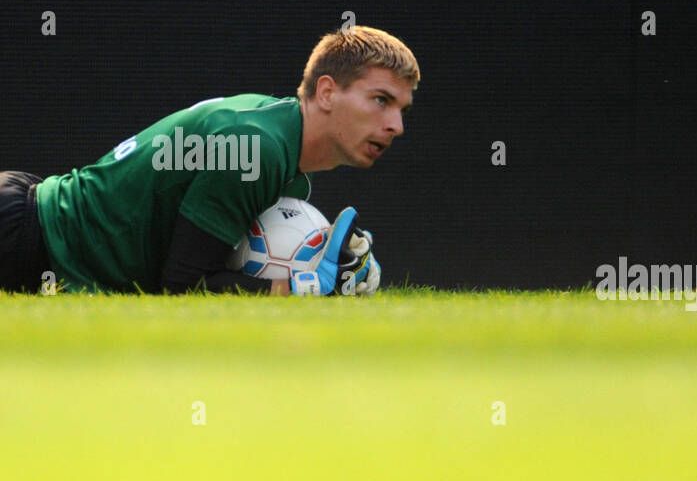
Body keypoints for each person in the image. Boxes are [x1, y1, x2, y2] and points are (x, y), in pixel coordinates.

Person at [0, 25, 418, 296]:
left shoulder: (284, 154)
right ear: (327, 92)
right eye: (380, 100)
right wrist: (307, 286)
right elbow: (181, 285)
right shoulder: (258, 150)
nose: (395, 125)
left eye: (401, 108)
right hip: (23, 236)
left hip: (31, 225)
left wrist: (334, 262)